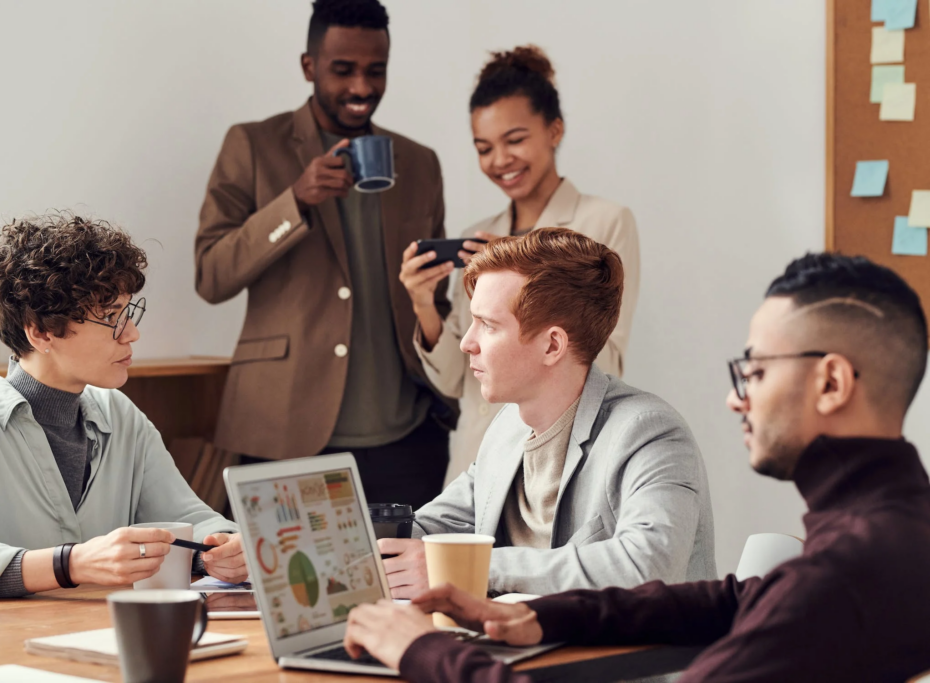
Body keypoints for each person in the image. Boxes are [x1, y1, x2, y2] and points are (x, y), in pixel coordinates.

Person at [346, 253, 930, 683]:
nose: (736, 398)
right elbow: (736, 597)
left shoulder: (839, 578)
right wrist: (539, 615)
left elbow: (698, 579)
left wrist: (424, 653)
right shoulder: (893, 533)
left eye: (753, 372)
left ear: (831, 382)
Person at [195, 0, 455, 510]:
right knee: (284, 591)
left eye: (375, 71)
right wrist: (294, 202)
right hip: (284, 430)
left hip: (408, 437)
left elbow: (432, 294)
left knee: (405, 590)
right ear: (309, 66)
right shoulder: (253, 145)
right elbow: (211, 275)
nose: (361, 88)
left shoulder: (420, 163)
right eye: (343, 70)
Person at [0, 215, 247, 601]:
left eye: (128, 313)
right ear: (41, 331)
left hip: (106, 640)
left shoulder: (121, 415)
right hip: (1, 652)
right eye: (110, 317)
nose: (132, 333)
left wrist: (226, 548)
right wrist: (72, 564)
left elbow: (191, 520)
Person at [380, 229, 714, 598]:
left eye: (488, 325)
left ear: (552, 345)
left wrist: (466, 569)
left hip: (630, 654)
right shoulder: (508, 427)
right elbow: (430, 528)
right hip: (518, 647)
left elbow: (648, 565)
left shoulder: (649, 433)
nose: (466, 342)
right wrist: (346, 534)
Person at [400, 45, 640, 484]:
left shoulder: (604, 221)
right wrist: (422, 303)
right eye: (484, 147)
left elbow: (608, 362)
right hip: (473, 463)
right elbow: (458, 382)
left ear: (555, 130)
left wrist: (524, 266)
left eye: (515, 140)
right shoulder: (478, 234)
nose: (499, 161)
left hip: (557, 463)